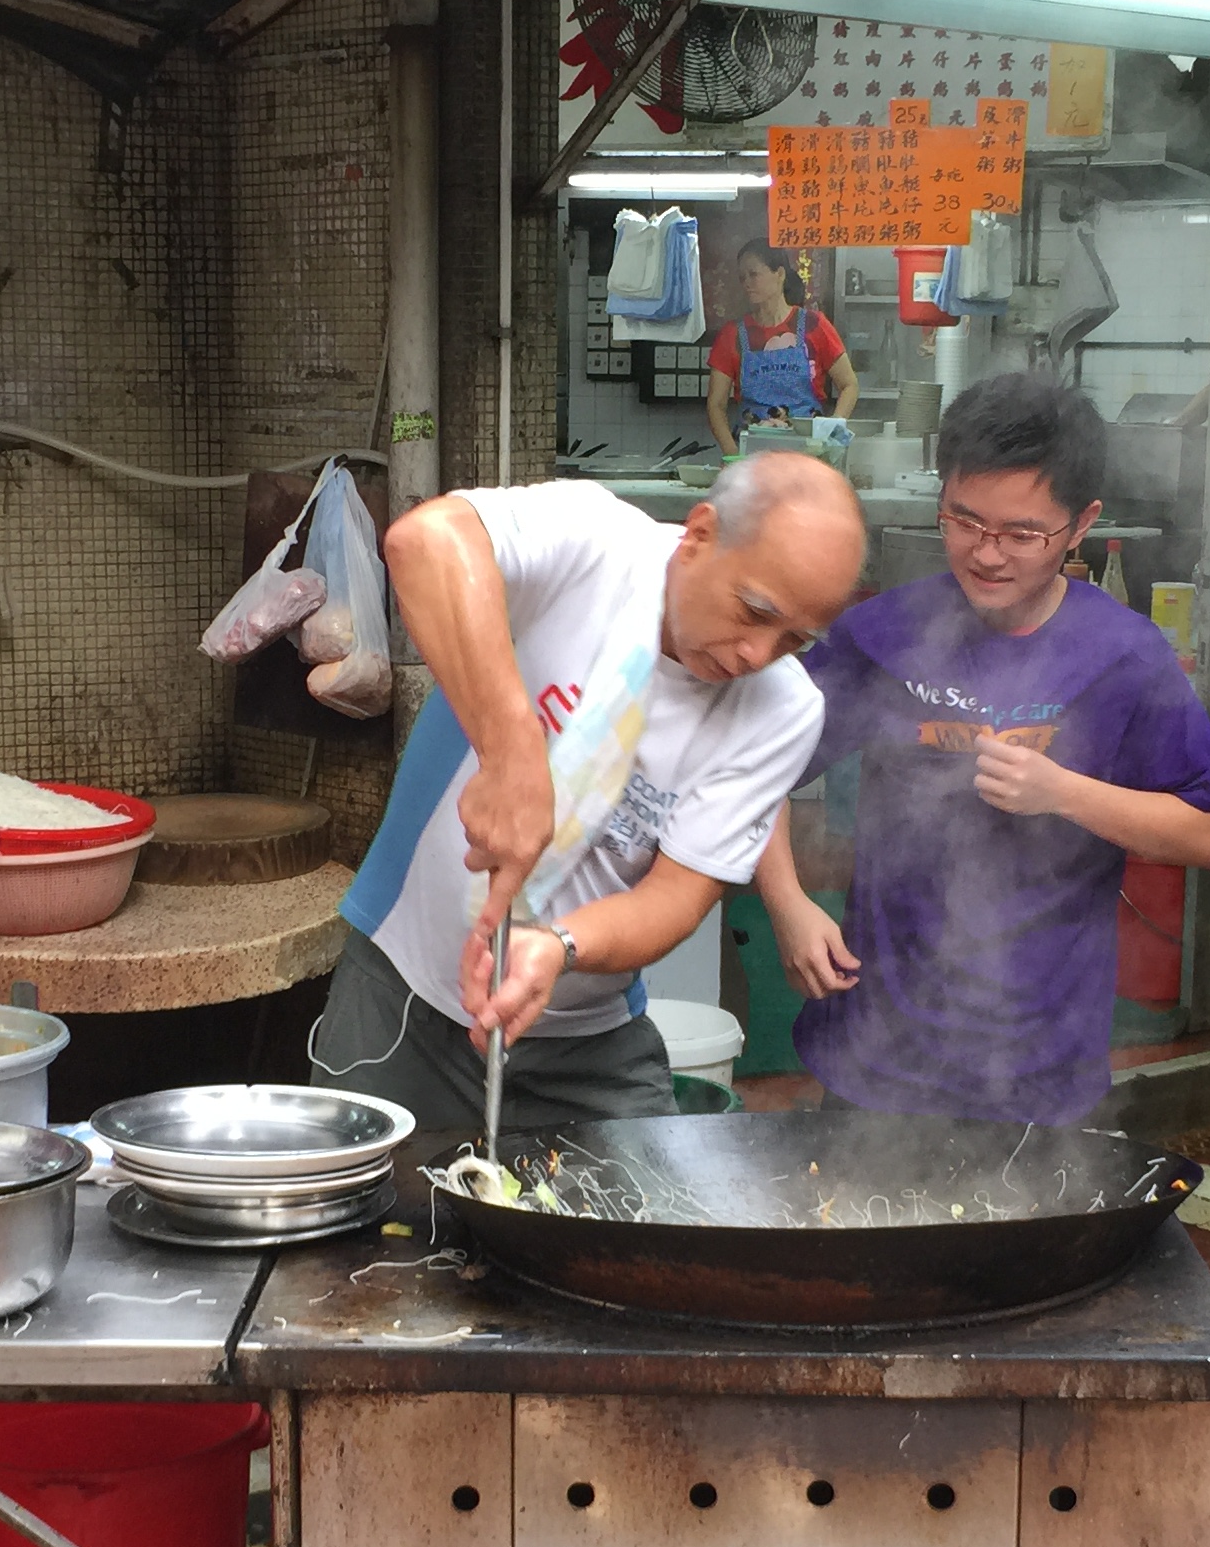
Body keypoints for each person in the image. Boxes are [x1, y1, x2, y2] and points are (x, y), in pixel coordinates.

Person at [309, 452, 867, 1133]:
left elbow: (676, 897)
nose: (757, 654)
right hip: (404, 992)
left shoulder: (785, 711)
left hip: (589, 1033)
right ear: (699, 534)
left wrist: (558, 946)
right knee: (371, 1217)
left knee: (646, 1229)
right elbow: (424, 540)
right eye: (753, 611)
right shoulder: (599, 544)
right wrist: (512, 751)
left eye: (793, 641)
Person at [753, 374, 1210, 1125]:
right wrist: (787, 905)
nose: (986, 554)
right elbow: (754, 768)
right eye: (964, 521)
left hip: (1039, 1061)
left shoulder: (1124, 656)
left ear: (1081, 525)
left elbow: (1208, 835)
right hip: (875, 1045)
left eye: (1022, 534)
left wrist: (1063, 792)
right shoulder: (883, 634)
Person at [703, 240, 857, 454]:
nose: (747, 282)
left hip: (808, 453)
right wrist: (732, 453)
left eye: (754, 274)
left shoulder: (815, 325)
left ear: (780, 274)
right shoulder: (733, 334)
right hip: (753, 455)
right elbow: (716, 404)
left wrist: (832, 430)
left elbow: (849, 385)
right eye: (742, 277)